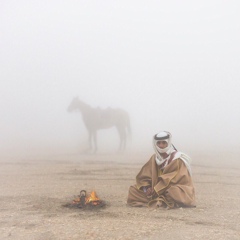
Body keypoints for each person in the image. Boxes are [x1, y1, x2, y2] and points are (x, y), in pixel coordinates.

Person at [127, 131, 196, 209]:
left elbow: (173, 179)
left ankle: (161, 199)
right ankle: (159, 199)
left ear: (168, 143)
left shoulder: (176, 159)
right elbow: (145, 176)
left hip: (174, 189)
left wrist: (157, 188)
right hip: (156, 190)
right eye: (159, 143)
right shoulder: (154, 158)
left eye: (164, 143)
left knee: (173, 192)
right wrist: (147, 188)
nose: (161, 146)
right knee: (133, 190)